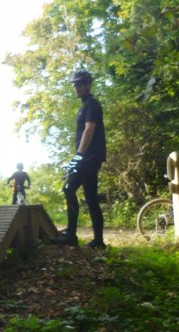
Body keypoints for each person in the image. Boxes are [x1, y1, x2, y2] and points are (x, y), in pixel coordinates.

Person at [51, 69, 107, 249]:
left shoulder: (92, 104)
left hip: (89, 156)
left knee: (68, 188)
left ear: (88, 85)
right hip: (90, 156)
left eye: (80, 84)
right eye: (75, 84)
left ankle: (71, 234)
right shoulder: (85, 105)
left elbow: (89, 129)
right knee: (91, 198)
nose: (77, 87)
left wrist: (78, 157)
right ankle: (98, 241)